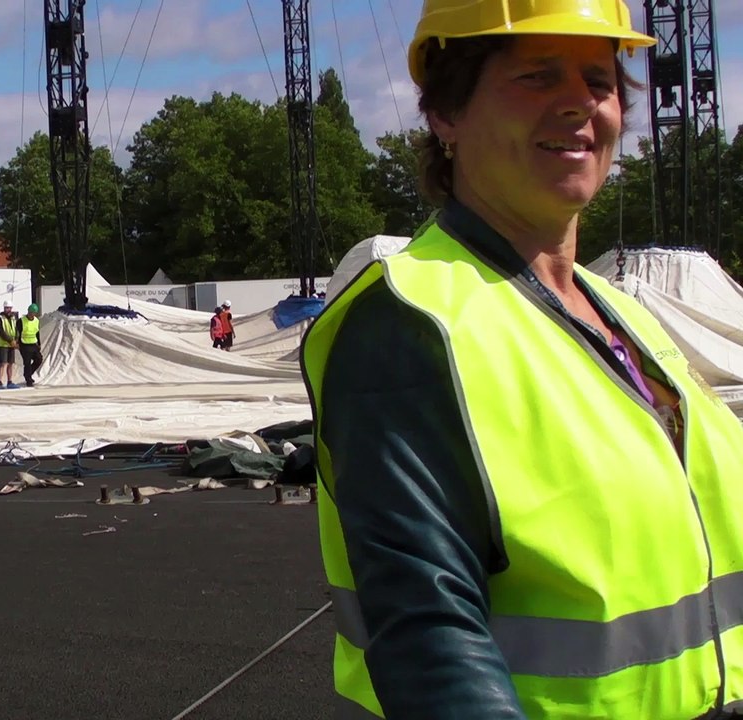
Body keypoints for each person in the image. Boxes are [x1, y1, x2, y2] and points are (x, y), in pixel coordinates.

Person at [301, 1, 743, 718]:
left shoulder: (623, 315)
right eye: (537, 76)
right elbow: (431, 640)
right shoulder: (412, 326)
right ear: (447, 112)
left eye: (598, 80)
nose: (578, 104)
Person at [16, 303, 44, 387]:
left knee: (39, 359)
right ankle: (28, 380)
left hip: (33, 344)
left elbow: (37, 333)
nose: (32, 314)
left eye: (34, 313)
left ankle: (27, 374)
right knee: (27, 363)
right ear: (28, 312)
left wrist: (39, 344)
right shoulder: (21, 321)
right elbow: (17, 333)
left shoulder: (36, 321)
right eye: (31, 312)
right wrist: (17, 343)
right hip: (24, 344)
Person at [0, 300, 20, 390]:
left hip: (12, 344)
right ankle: (0, 382)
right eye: (6, 308)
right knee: (3, 363)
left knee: (10, 363)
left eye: (9, 308)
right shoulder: (0, 318)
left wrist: (16, 340)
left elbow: (16, 329)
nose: (8, 310)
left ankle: (10, 381)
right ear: (4, 308)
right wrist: (10, 341)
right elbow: (1, 332)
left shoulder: (14, 318)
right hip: (4, 344)